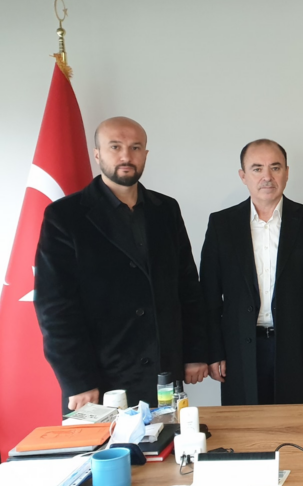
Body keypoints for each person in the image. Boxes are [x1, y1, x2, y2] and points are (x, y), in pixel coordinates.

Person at [34, 117, 207, 410]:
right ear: (97, 154)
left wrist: (194, 353)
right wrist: (78, 380)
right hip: (99, 379)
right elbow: (55, 306)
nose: (126, 156)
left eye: (135, 147)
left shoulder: (166, 209)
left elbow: (187, 286)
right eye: (115, 147)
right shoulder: (64, 216)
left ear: (145, 154)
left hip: (164, 373)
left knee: (167, 440)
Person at [200, 139, 303, 405]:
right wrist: (214, 352)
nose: (267, 177)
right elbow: (208, 296)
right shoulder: (222, 224)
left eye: (275, 167)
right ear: (243, 176)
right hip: (239, 351)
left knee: (300, 424)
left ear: (287, 173)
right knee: (246, 426)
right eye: (257, 168)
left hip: (300, 349)